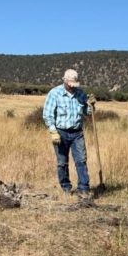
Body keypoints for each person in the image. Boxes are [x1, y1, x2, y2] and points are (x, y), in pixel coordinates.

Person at [43, 69, 94, 197]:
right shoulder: (55, 93)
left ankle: (83, 188)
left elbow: (87, 113)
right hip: (60, 132)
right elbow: (48, 114)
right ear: (64, 80)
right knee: (62, 162)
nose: (72, 87)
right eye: (70, 83)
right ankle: (66, 187)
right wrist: (53, 131)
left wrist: (91, 105)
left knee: (81, 160)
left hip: (77, 133)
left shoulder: (81, 94)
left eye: (74, 84)